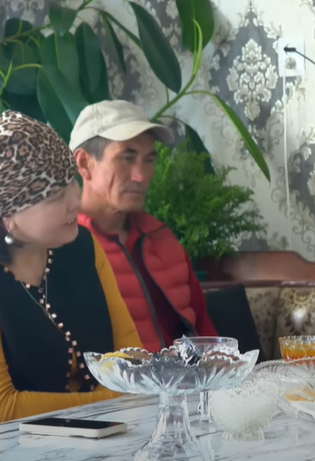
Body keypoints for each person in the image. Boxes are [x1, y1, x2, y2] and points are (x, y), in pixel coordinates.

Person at [0, 111, 142, 441]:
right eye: (55, 196)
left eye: (71, 182)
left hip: (89, 443)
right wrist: (112, 401)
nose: (75, 200)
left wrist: (122, 397)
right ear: (7, 214)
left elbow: (131, 359)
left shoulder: (82, 247)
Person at [70, 100, 217, 352]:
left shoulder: (162, 239)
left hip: (191, 375)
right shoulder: (65, 248)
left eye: (148, 160)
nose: (141, 176)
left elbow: (206, 333)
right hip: (117, 378)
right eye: (126, 158)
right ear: (84, 163)